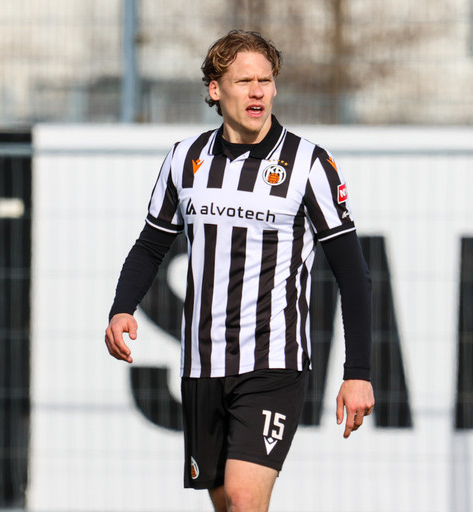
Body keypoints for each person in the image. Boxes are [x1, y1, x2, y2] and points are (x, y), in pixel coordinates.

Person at [104, 29, 374, 512]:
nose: (257, 92)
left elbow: (353, 275)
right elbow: (150, 246)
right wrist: (123, 308)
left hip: (273, 364)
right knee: (226, 502)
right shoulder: (185, 159)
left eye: (265, 81)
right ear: (215, 89)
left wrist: (358, 372)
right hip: (201, 364)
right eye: (244, 81)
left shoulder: (308, 164)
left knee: (245, 498)